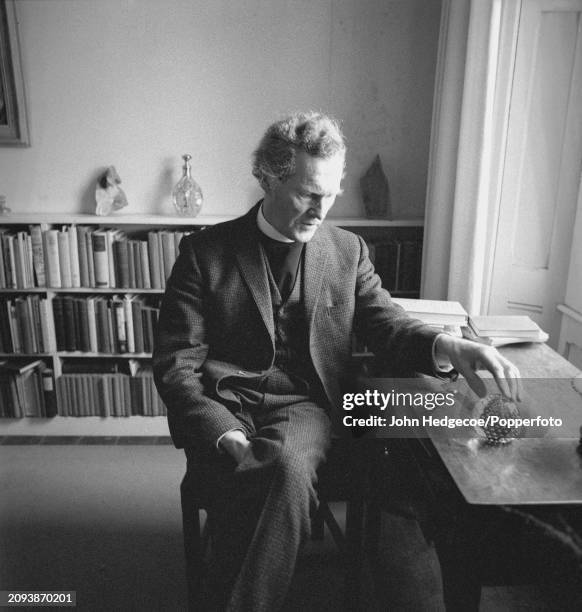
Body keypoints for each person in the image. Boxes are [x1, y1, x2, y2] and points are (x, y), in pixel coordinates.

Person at [152, 111, 521, 611]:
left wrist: (448, 346)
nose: (321, 209)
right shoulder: (204, 252)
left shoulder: (347, 251)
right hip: (224, 403)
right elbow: (176, 364)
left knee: (283, 467)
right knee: (272, 480)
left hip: (301, 406)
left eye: (331, 193)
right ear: (269, 178)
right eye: (307, 193)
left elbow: (387, 324)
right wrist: (224, 433)